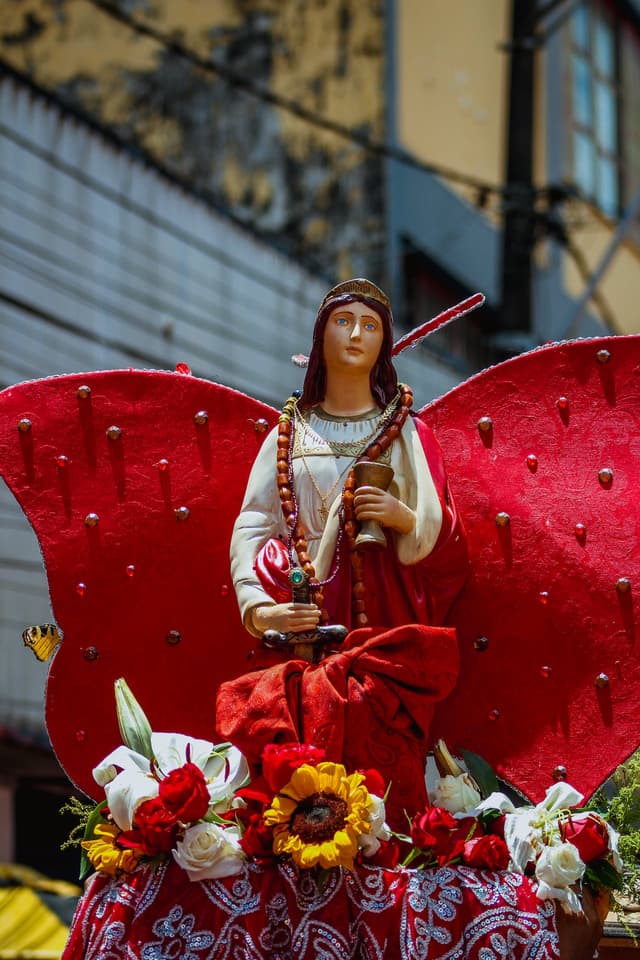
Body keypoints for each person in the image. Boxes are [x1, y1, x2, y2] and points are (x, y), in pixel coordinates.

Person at [216, 279, 469, 828]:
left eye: (370, 325)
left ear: (384, 345)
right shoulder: (286, 435)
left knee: (381, 808)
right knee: (286, 798)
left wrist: (404, 518)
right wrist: (259, 609)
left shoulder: (406, 435)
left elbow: (451, 550)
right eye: (342, 321)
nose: (355, 334)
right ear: (320, 334)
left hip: (380, 649)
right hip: (297, 641)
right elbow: (254, 524)